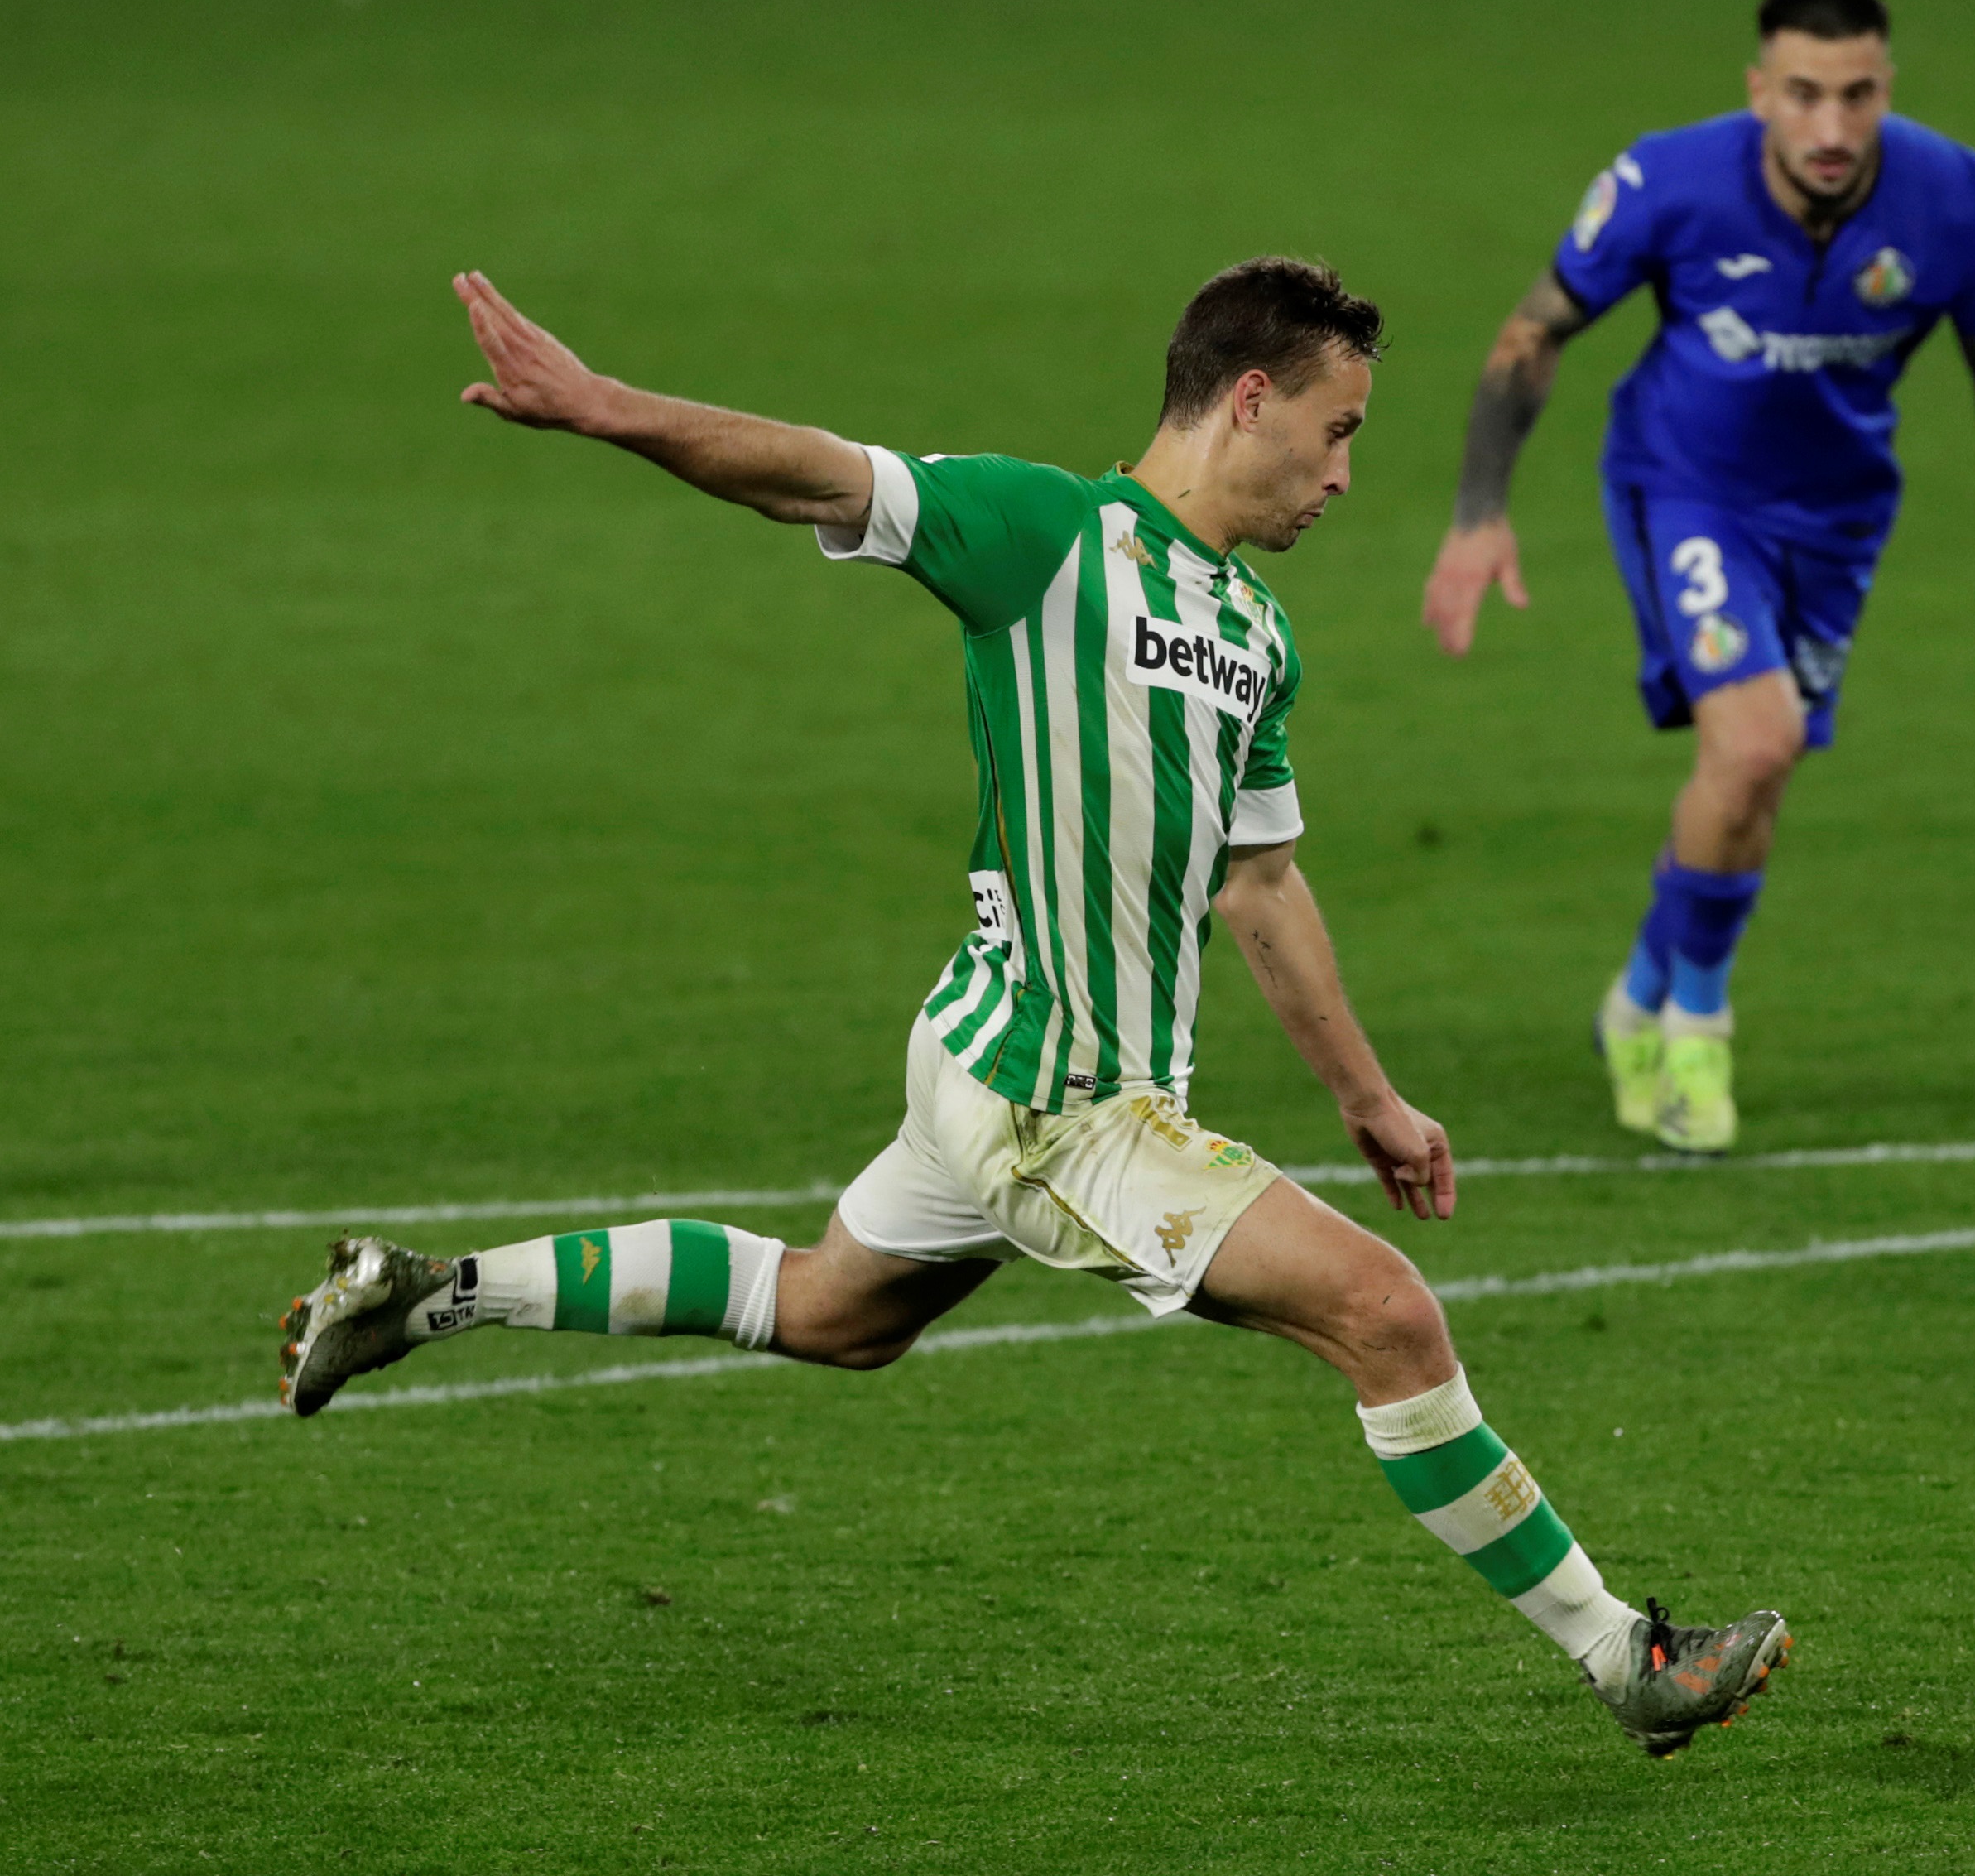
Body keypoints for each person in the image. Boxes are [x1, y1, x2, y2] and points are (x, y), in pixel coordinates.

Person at [276, 258, 1789, 1757]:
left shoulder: (1257, 636)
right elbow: (811, 473)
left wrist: (1369, 1099)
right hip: (1058, 1105)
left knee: (828, 1311)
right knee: (1388, 1315)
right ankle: (1624, 1653)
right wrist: (605, 408)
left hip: (983, 1060)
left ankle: (432, 1292)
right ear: (1247, 400)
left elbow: (1261, 887)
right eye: (1336, 433)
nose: (1345, 476)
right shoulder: (1046, 535)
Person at [1422, 0, 1975, 1155]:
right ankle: (1696, 1026)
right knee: (1755, 742)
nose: (1834, 129)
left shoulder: (1957, 200)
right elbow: (1532, 330)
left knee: (1753, 782)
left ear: (1887, 89)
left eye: (1858, 96)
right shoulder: (1668, 181)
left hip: (1841, 521)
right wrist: (1479, 513)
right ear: (1760, 92)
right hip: (1684, 491)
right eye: (1804, 95)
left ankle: (1638, 989)